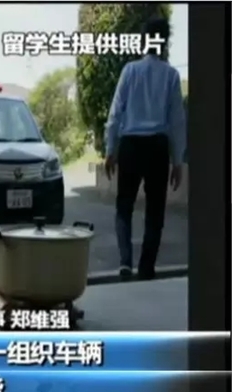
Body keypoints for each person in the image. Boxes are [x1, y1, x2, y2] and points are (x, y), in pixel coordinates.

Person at [104, 17, 186, 281]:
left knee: (124, 207)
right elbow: (177, 121)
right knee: (155, 211)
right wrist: (177, 161)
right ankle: (146, 267)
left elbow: (115, 113)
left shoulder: (130, 71)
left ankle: (125, 262)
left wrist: (110, 149)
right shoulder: (171, 75)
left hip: (130, 144)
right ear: (164, 43)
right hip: (157, 147)